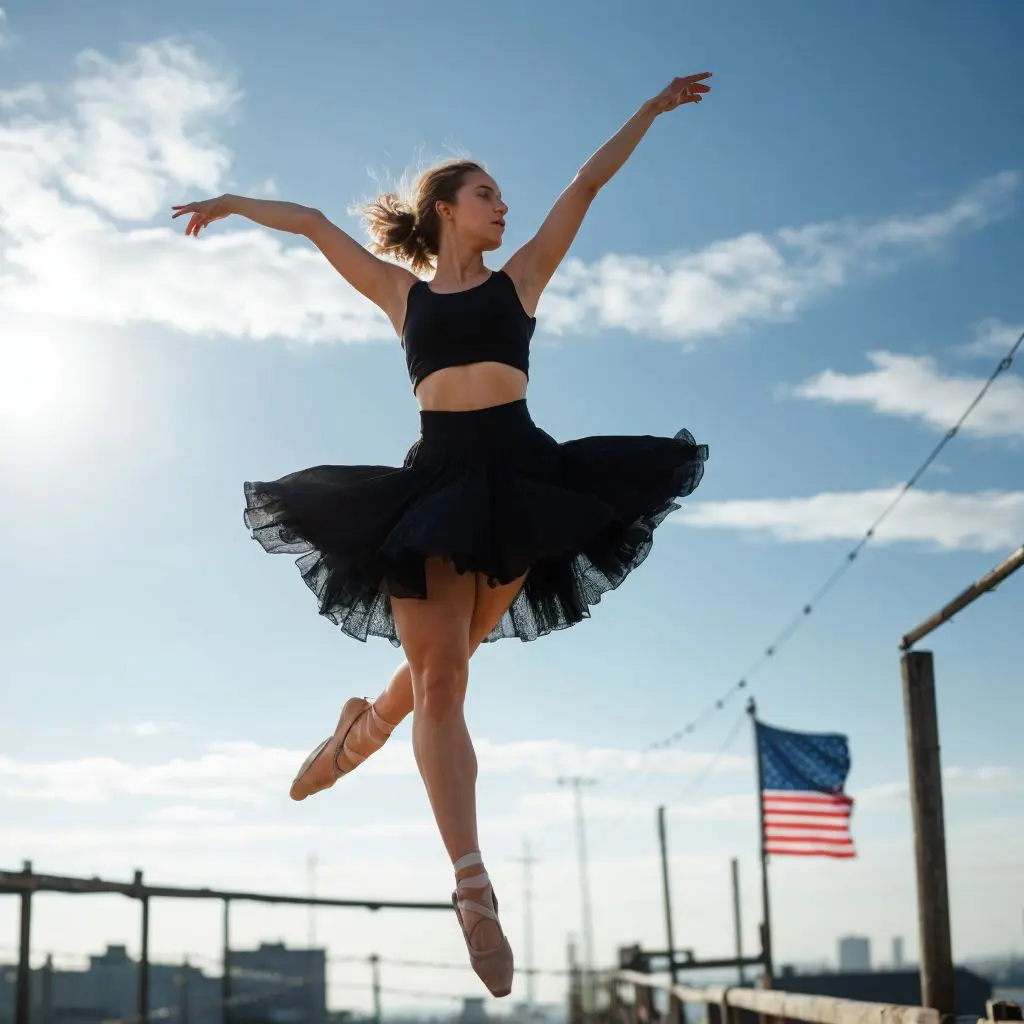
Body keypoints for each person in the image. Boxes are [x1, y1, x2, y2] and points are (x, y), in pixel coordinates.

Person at [171, 72, 711, 998]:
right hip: (435, 490)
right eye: (487, 194)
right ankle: (471, 883)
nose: (505, 205)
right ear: (446, 210)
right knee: (444, 678)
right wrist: (230, 201)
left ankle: (363, 729)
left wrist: (649, 113)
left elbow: (587, 183)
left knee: (446, 663)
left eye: (502, 196)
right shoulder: (403, 297)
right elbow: (309, 222)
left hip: (524, 488)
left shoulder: (522, 281)